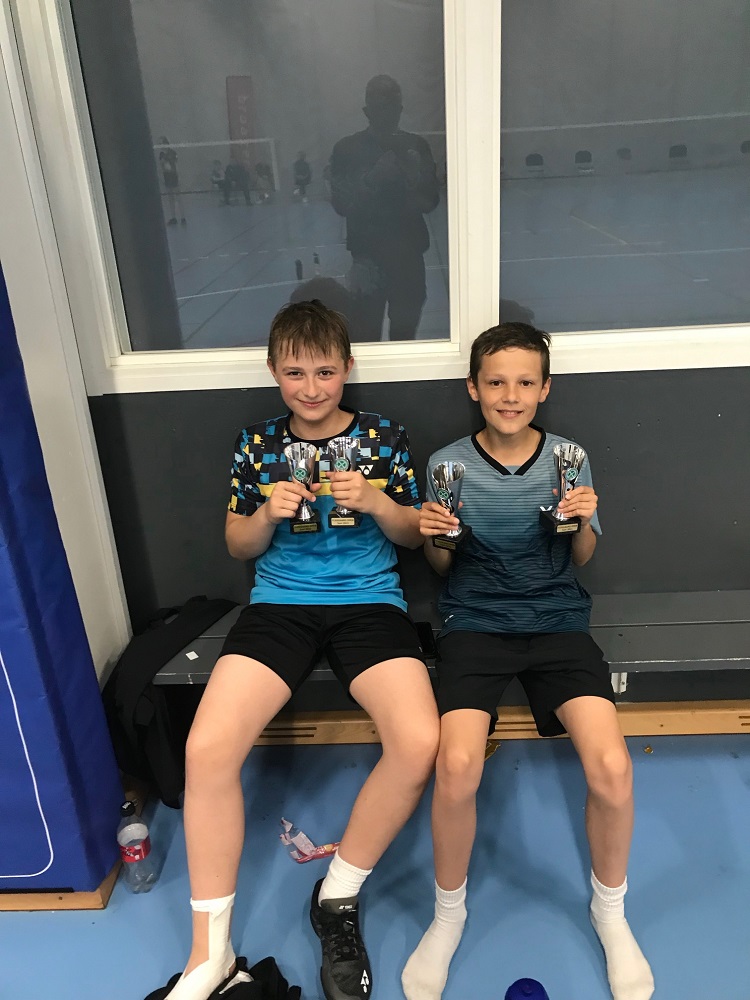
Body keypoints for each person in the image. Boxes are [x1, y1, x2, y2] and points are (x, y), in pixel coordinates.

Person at [145, 299, 440, 1000]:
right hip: (279, 605)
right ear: (275, 371)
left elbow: (414, 535)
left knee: (419, 741)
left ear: (348, 369)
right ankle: (209, 954)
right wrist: (265, 515)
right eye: (296, 373)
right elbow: (236, 544)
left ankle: (337, 892)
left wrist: (377, 502)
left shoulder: (385, 436)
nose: (311, 388)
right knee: (206, 750)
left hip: (370, 604)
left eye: (325, 372)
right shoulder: (257, 443)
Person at [401, 323, 654, 1000]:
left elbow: (582, 557)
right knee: (456, 765)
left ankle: (610, 911)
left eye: (524, 382)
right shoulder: (447, 463)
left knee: (612, 768)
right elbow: (440, 568)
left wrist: (585, 518)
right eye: (495, 382)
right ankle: (448, 915)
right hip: (475, 624)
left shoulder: (569, 457)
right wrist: (436, 536)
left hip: (557, 621)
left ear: (544, 389)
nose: (509, 395)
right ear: (473, 388)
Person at [329, 75, 439, 342]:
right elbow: (341, 205)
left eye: (391, 107)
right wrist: (373, 179)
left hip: (408, 258)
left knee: (404, 339)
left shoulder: (417, 147)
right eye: (380, 107)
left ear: (400, 110)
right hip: (368, 260)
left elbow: (430, 202)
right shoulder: (346, 150)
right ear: (367, 111)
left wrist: (413, 178)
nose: (387, 114)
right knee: (366, 341)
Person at [158, 136, 186, 225]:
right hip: (167, 178)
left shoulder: (172, 152)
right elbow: (162, 166)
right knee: (170, 198)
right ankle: (173, 218)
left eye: (162, 143)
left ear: (166, 143)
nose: (161, 145)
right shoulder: (161, 154)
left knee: (178, 197)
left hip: (174, 177)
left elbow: (176, 165)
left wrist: (179, 177)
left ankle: (183, 218)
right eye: (159, 144)